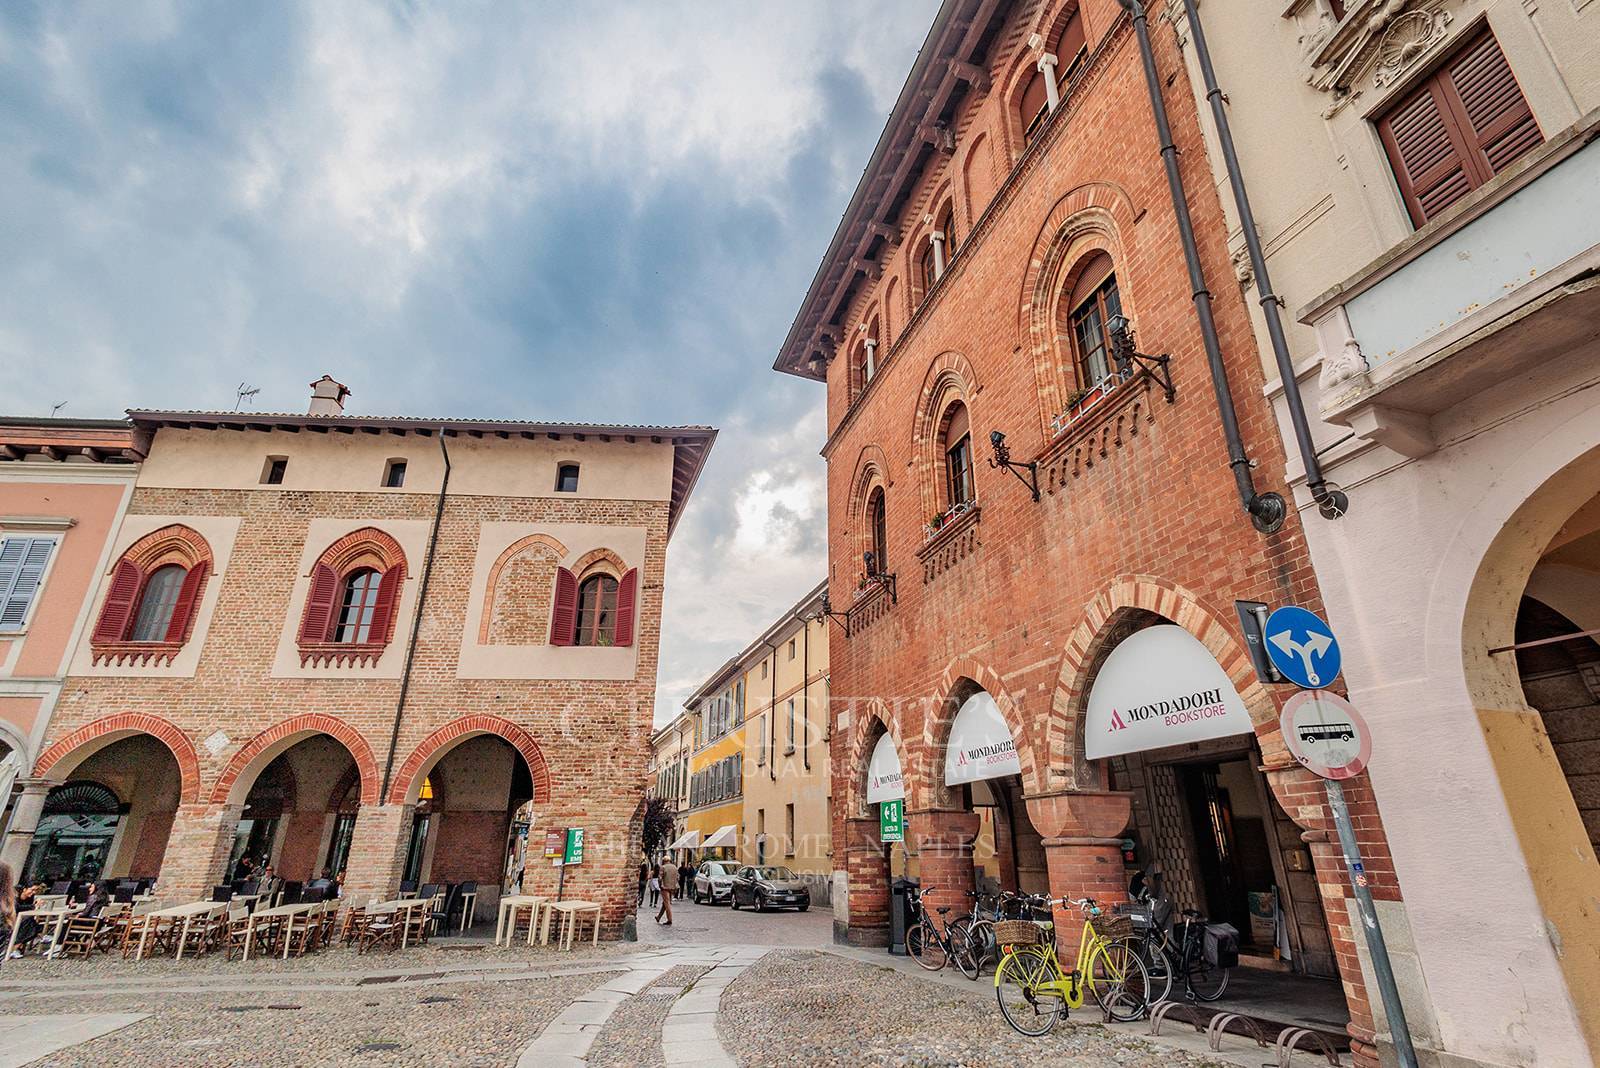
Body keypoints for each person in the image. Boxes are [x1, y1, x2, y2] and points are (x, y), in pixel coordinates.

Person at [656, 861, 678, 926]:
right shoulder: (674, 867)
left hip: (665, 887)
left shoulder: (663, 867)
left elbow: (660, 878)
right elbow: (677, 877)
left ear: (664, 861)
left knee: (667, 903)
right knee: (665, 903)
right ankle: (658, 917)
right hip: (672, 887)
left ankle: (669, 920)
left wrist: (660, 885)